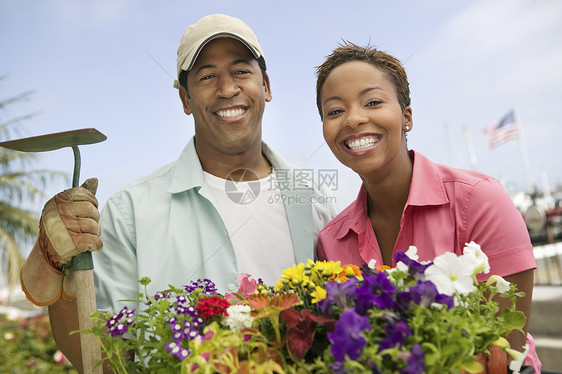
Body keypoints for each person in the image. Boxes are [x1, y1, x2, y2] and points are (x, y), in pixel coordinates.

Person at [20, 14, 337, 372]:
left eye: (241, 71)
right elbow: (102, 361)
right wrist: (60, 267)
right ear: (185, 98)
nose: (227, 88)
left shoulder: (314, 199)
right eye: (207, 76)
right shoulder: (131, 212)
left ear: (265, 85)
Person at [314, 42, 540, 372]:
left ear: (406, 117)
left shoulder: (480, 199)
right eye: (335, 111)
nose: (354, 119)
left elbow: (505, 351)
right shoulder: (330, 241)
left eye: (373, 102)